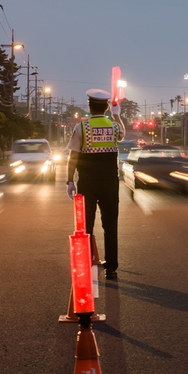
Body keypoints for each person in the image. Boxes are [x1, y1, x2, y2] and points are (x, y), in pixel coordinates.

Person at [66, 89, 126, 281]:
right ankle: (111, 269)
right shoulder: (114, 127)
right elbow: (122, 135)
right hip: (110, 183)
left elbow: (73, 156)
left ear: (89, 107)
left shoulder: (81, 128)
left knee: (86, 227)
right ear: (107, 106)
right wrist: (116, 115)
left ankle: (85, 264)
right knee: (110, 226)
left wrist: (69, 180)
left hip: (87, 183)